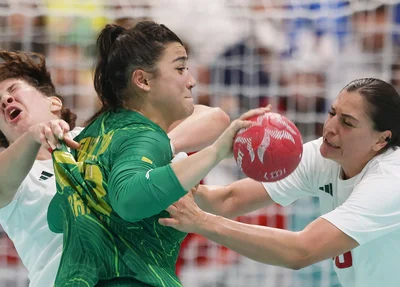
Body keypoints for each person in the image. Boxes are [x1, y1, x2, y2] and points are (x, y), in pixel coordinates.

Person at [43, 21, 267, 286]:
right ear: (143, 80)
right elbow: (128, 200)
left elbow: (57, 217)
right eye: (180, 68)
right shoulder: (145, 136)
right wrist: (215, 152)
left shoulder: (94, 133)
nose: (191, 81)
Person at [0, 50, 230, 287]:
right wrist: (33, 136)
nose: (6, 100)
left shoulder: (103, 137)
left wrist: (148, 147)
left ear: (54, 103)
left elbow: (214, 118)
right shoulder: (16, 177)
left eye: (13, 89)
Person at [159, 78, 400, 287]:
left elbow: (301, 251)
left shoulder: (390, 182)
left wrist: (201, 221)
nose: (330, 128)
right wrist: (176, 177)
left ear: (382, 140)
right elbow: (228, 200)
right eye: (332, 113)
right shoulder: (325, 155)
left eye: (347, 123)